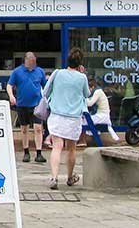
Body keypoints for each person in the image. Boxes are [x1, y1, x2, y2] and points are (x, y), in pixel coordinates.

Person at [44, 48, 91, 189]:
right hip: (73, 118)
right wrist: (82, 74)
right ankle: (70, 177)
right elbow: (87, 94)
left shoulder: (57, 73)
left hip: (57, 116)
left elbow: (46, 91)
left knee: (57, 147)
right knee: (71, 148)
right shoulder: (82, 77)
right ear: (80, 64)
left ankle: (54, 177)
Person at [7, 52, 47, 163]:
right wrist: (11, 96)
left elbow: (46, 85)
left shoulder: (39, 71)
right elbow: (9, 85)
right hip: (22, 104)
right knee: (24, 129)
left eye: (34, 61)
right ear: (26, 60)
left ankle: (39, 152)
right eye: (31, 61)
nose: (33, 63)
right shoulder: (17, 72)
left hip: (36, 104)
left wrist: (46, 99)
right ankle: (26, 151)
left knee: (38, 128)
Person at [87, 75, 120, 142]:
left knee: (84, 121)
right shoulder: (97, 91)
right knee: (85, 120)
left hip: (102, 116)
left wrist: (83, 98)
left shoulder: (97, 92)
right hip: (101, 115)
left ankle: (83, 141)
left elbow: (90, 104)